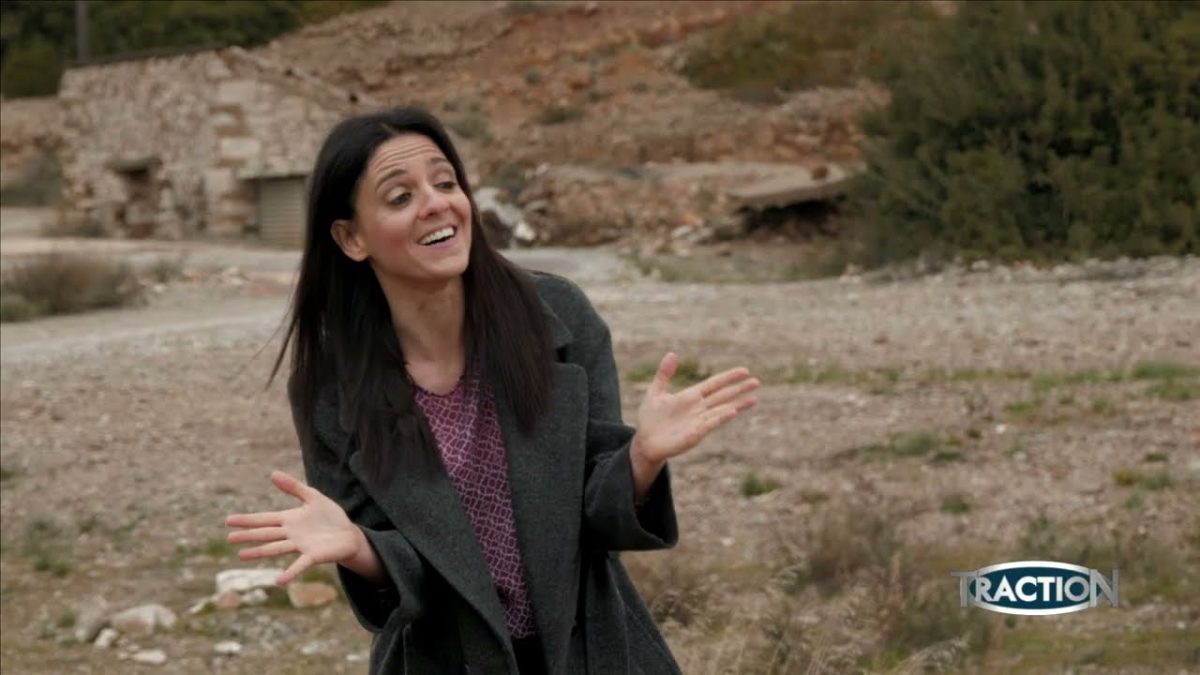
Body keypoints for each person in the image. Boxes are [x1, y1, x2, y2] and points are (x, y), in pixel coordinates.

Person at [224, 107, 759, 674]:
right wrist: (362, 549)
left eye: (445, 182)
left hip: (595, 654)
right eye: (400, 197)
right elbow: (403, 593)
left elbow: (598, 523)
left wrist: (640, 459)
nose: (436, 204)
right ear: (351, 238)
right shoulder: (330, 388)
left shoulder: (558, 317)